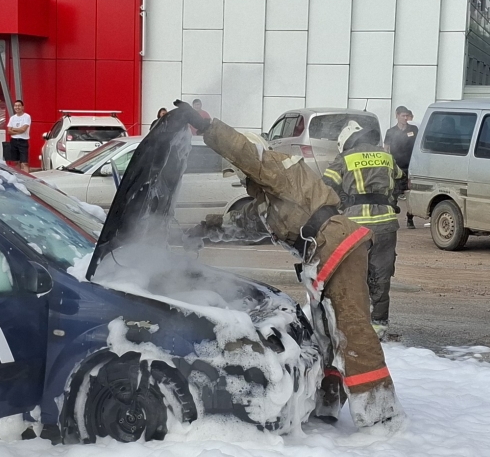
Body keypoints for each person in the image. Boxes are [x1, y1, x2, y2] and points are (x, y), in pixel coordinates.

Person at [178, 102, 399, 429]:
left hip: (337, 244)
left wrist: (208, 127)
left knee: (351, 329)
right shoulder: (268, 201)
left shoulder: (279, 168)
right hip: (321, 254)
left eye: (242, 173)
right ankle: (327, 407)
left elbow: (245, 153)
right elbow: (241, 223)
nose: (242, 179)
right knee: (326, 335)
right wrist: (200, 232)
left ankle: (381, 416)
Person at [322, 117, 400, 327]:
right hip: (385, 225)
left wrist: (342, 201)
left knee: (353, 275)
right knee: (381, 275)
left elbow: (326, 186)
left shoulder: (345, 158)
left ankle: (355, 324)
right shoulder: (386, 156)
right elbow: (400, 178)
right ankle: (379, 325)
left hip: (355, 227)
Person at [383, 106, 418, 227]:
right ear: (397, 115)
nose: (405, 118)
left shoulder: (413, 129)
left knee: (410, 195)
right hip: (396, 167)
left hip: (411, 167)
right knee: (393, 194)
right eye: (403, 116)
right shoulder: (391, 131)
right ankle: (392, 219)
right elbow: (386, 148)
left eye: (407, 116)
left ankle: (410, 219)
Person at [4, 100, 32, 167]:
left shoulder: (27, 116)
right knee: (16, 162)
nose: (17, 107)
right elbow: (9, 131)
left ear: (22, 107)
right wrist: (18, 130)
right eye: (15, 106)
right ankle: (18, 174)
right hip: (13, 141)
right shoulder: (12, 118)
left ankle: (25, 174)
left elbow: (23, 129)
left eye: (19, 106)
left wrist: (13, 129)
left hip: (23, 141)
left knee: (24, 163)